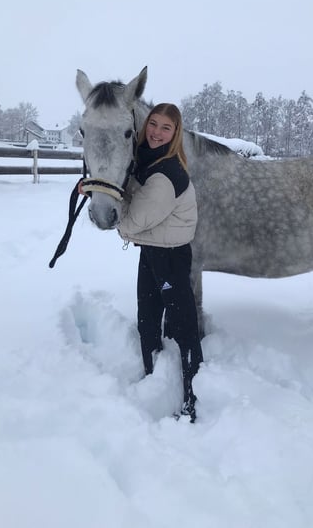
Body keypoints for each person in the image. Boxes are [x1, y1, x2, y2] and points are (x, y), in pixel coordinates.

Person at [82, 103, 202, 422]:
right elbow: (130, 188)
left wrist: (113, 221)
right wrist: (98, 186)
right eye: (154, 124)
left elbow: (135, 220)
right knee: (147, 318)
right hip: (150, 251)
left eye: (166, 128)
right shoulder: (148, 160)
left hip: (171, 256)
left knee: (182, 324)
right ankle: (153, 373)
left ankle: (194, 394)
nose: (157, 132)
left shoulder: (167, 172)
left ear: (175, 134)